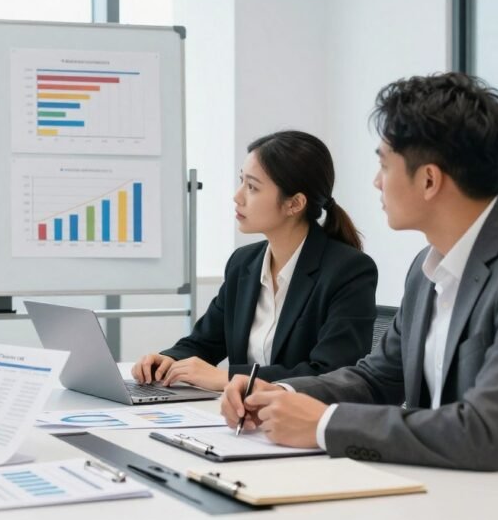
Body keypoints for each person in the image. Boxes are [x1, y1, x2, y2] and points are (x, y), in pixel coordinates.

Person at [221, 72, 498, 495]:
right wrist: (278, 393)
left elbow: (486, 432)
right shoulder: (426, 267)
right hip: (445, 489)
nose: (376, 182)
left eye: (384, 165)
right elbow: (376, 379)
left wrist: (323, 424)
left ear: (429, 180)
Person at [132, 131, 378, 391]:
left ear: (294, 204)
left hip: (300, 421)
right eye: (242, 182)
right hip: (239, 420)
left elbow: (330, 372)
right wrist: (168, 360)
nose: (237, 196)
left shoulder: (349, 271)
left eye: (252, 187)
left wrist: (231, 379)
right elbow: (204, 342)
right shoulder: (243, 263)